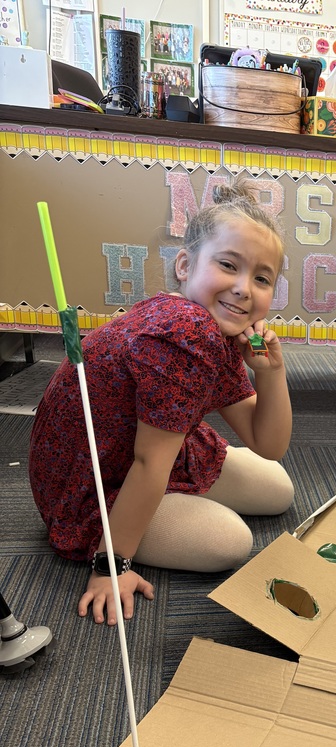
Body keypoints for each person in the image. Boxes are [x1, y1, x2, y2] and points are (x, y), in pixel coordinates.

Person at [29, 181, 294, 626]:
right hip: (89, 481)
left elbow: (269, 443)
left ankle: (174, 499)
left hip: (145, 448)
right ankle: (115, 536)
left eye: (262, 278)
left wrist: (271, 373)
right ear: (185, 266)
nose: (244, 289)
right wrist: (111, 567)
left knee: (277, 488)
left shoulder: (214, 326)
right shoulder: (186, 331)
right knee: (230, 542)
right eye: (228, 265)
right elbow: (149, 461)